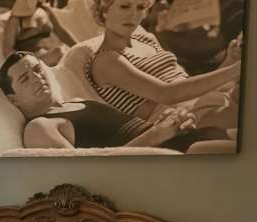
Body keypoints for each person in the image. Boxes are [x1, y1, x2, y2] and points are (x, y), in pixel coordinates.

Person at [0, 51, 234, 153]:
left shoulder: (76, 101)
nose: (37, 78)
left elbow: (126, 131)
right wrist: (157, 134)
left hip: (175, 139)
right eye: (25, 79)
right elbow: (86, 174)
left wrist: (167, 123)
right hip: (164, 156)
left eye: (37, 69)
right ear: (12, 99)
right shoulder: (39, 127)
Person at [86, 0, 241, 128]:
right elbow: (167, 94)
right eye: (125, 6)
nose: (133, 14)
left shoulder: (146, 39)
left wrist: (230, 60)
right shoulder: (105, 60)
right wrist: (233, 70)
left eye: (140, 7)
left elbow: (187, 85)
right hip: (179, 120)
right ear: (104, 10)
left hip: (203, 101)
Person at [2, 0, 64, 66]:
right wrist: (27, 62)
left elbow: (61, 35)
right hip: (29, 61)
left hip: (47, 56)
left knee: (61, 53)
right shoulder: (15, 20)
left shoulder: (46, 12)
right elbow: (7, 51)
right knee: (59, 53)